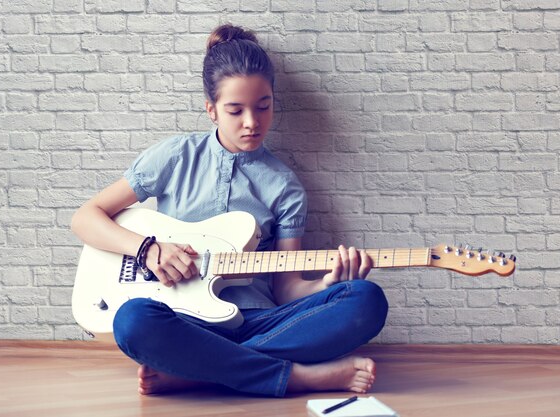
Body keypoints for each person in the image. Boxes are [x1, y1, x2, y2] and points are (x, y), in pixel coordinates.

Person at [71, 24, 388, 398]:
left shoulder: (285, 186)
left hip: (261, 321)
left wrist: (326, 284)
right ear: (211, 110)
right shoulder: (175, 157)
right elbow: (85, 217)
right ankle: (298, 377)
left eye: (263, 106)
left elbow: (287, 288)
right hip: (186, 322)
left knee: (366, 300)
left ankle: (198, 371)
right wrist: (148, 248)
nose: (252, 122)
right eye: (235, 110)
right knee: (133, 321)